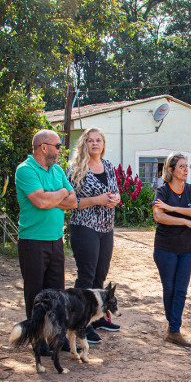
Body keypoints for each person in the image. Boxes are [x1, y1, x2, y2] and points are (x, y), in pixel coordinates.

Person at [15, 129, 77, 356]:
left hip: (55, 241)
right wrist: (61, 192)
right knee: (35, 294)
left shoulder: (57, 170)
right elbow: (40, 201)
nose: (60, 150)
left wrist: (55, 196)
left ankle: (55, 338)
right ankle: (37, 340)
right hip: (32, 242)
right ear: (43, 147)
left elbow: (73, 202)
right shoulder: (25, 170)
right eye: (57, 145)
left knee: (56, 294)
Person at [66, 127, 121, 344]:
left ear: (103, 144)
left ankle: (96, 318)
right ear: (84, 144)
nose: (95, 144)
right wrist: (97, 200)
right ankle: (81, 324)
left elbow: (115, 191)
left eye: (99, 140)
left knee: (100, 275)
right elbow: (69, 202)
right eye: (90, 140)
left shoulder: (107, 165)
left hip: (106, 227)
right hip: (84, 225)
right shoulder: (75, 168)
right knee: (86, 276)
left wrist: (114, 198)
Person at [152, 152, 191, 348]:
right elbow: (159, 216)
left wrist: (172, 209)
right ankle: (173, 325)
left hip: (188, 249)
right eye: (181, 166)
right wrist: (185, 221)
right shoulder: (163, 192)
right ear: (171, 170)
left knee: (181, 290)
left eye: (186, 166)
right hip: (165, 249)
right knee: (170, 289)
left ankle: (174, 330)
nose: (185, 170)